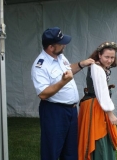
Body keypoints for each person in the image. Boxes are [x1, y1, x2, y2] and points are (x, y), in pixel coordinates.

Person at [31, 27, 94, 160]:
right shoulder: (40, 66)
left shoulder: (59, 56)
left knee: (70, 151)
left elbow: (68, 70)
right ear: (51, 47)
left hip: (71, 111)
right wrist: (63, 82)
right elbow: (42, 94)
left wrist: (82, 64)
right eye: (61, 43)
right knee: (52, 151)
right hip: (54, 111)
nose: (64, 45)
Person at [78, 42, 117, 160]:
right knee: (98, 135)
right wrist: (110, 114)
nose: (110, 60)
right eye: (107, 57)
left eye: (112, 57)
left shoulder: (101, 67)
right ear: (99, 55)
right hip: (94, 106)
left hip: (95, 105)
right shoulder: (96, 68)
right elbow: (101, 92)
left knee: (101, 135)